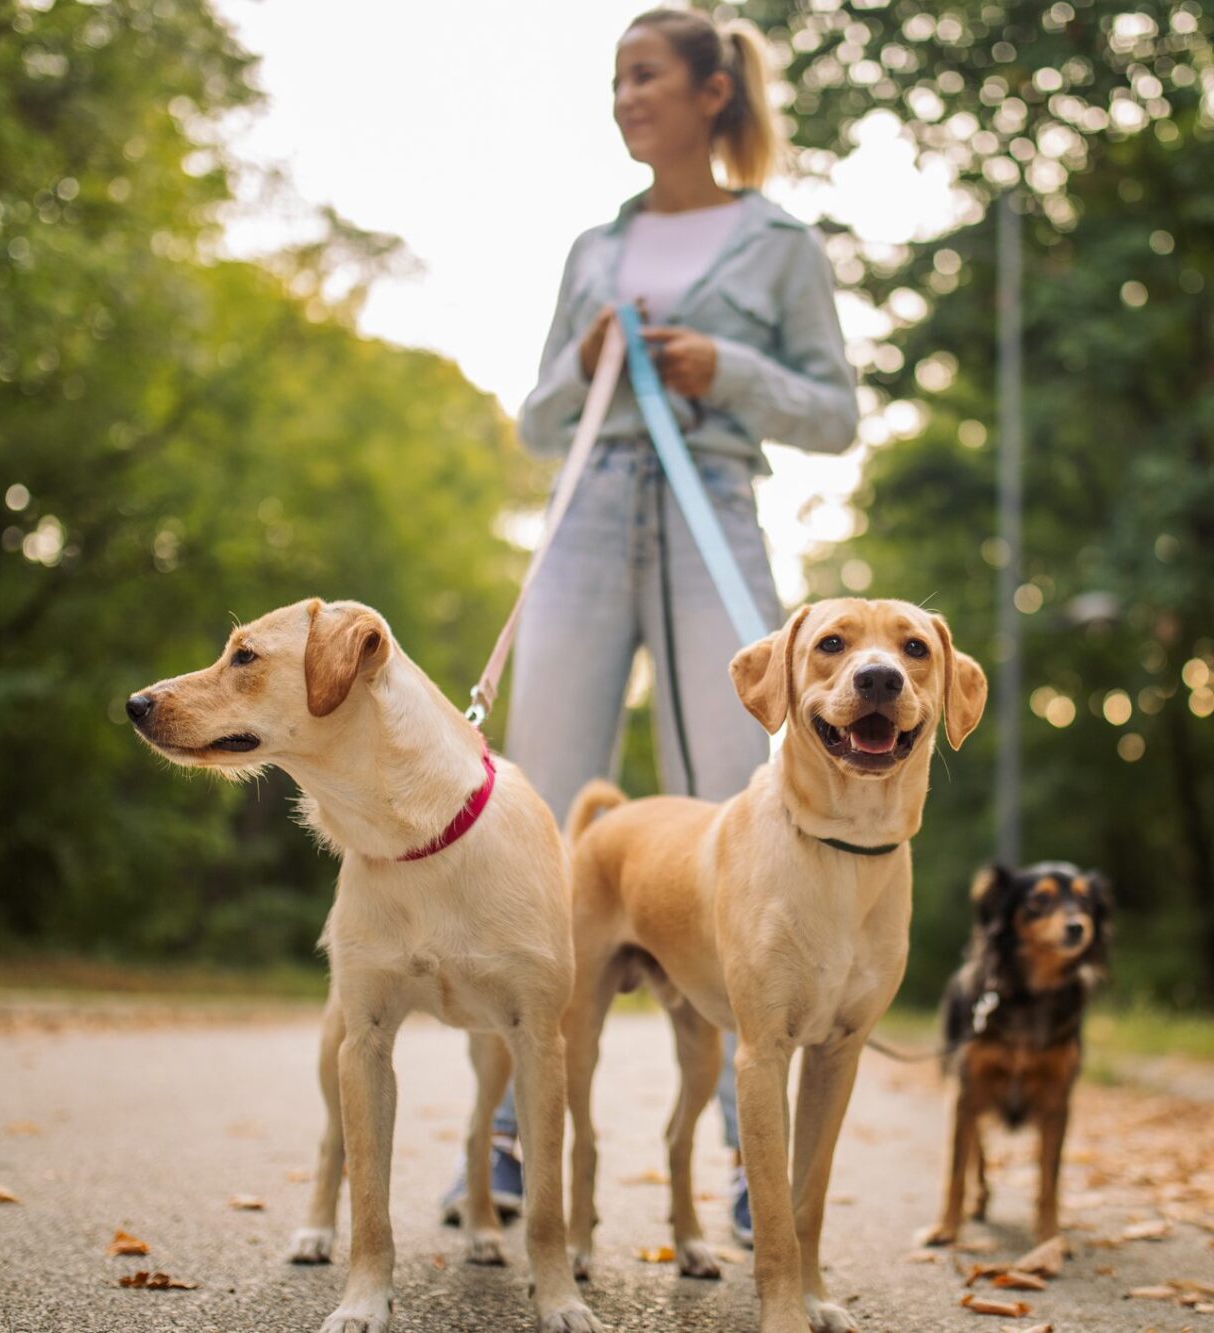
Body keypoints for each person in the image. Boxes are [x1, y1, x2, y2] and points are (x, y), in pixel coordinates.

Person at [439, 7, 858, 1249]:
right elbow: (533, 420)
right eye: (614, 79)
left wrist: (717, 366)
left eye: (643, 76)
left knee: (739, 814)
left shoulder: (780, 245)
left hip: (710, 506)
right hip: (585, 514)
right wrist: (580, 367)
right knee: (537, 817)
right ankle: (507, 1135)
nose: (623, 98)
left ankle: (749, 1152)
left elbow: (833, 415)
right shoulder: (591, 244)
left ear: (711, 91)